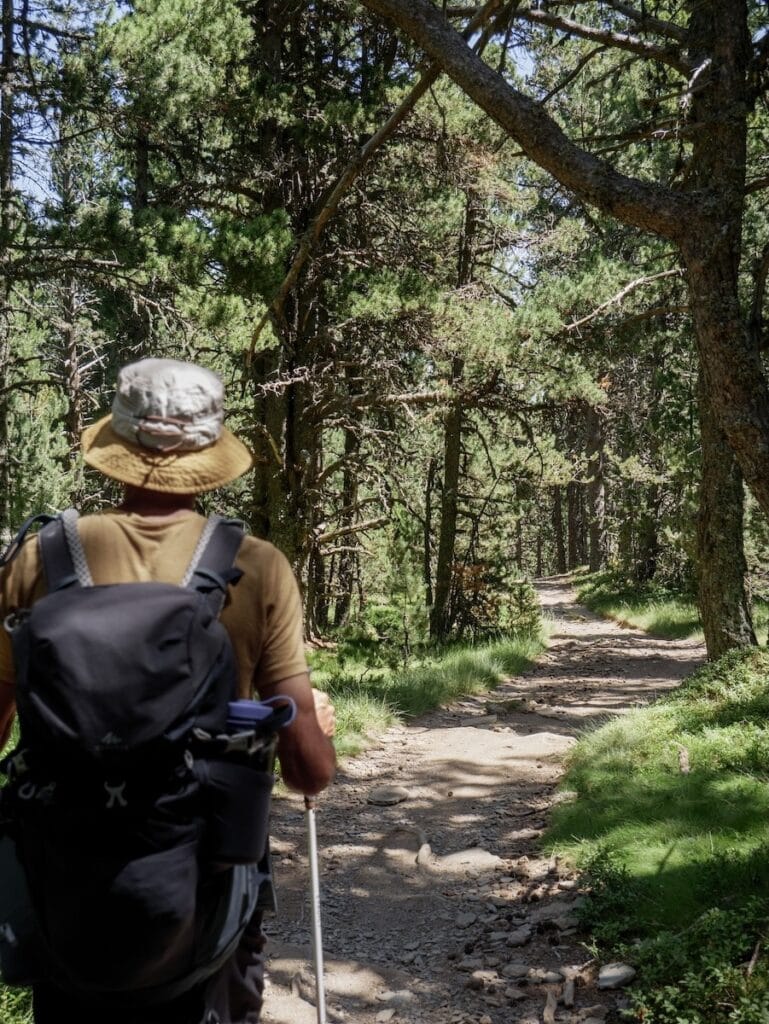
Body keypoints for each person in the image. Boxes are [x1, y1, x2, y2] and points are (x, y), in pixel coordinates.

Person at [0, 357, 336, 1024]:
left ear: (117, 446)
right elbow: (308, 774)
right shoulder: (256, 567)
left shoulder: (40, 557)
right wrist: (310, 724)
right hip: (204, 890)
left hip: (65, 885)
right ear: (211, 451)